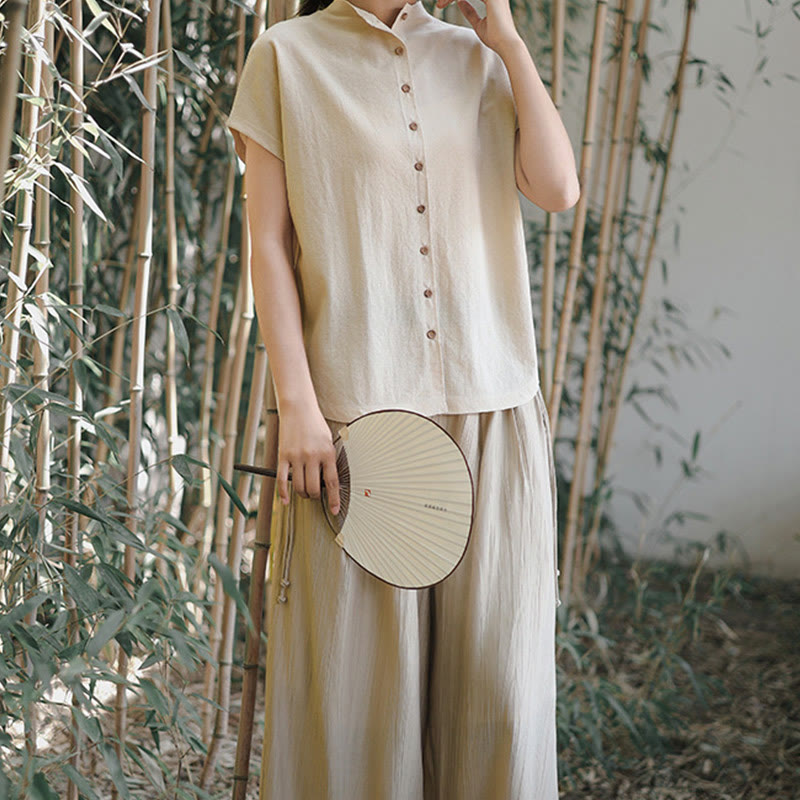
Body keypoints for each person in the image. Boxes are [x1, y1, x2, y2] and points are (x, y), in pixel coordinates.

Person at [224, 0, 579, 797]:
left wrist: (508, 41)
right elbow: (270, 244)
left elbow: (558, 187)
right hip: (356, 424)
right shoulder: (285, 57)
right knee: (356, 710)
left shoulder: (478, 56)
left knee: (500, 703)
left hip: (491, 411)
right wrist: (298, 408)